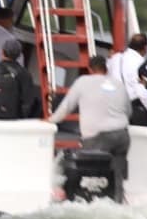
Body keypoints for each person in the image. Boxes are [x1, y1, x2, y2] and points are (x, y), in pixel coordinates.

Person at [49, 55, 131, 203]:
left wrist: (50, 120)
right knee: (117, 175)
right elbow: (128, 111)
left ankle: (91, 202)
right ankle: (118, 202)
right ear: (106, 68)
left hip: (98, 137)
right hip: (122, 136)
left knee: (92, 175)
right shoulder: (118, 84)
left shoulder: (83, 82)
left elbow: (66, 107)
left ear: (89, 69)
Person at [107, 33, 147, 126]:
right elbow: (143, 91)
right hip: (133, 109)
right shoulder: (139, 63)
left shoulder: (114, 59)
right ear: (146, 48)